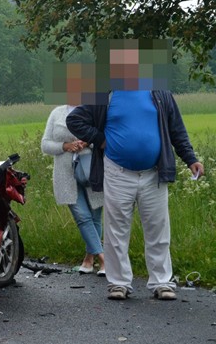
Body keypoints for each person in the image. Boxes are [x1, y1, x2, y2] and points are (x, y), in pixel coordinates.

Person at [66, 40, 204, 301]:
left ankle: (162, 283)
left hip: (154, 172)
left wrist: (191, 159)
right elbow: (74, 119)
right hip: (118, 171)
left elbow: (177, 130)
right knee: (117, 230)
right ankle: (118, 284)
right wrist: (100, 139)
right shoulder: (104, 93)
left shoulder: (160, 93)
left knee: (158, 229)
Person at [41, 105, 104, 275]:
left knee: (95, 218)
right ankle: (104, 258)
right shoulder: (57, 113)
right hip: (65, 174)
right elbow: (45, 145)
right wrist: (66, 146)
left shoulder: (95, 109)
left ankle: (89, 260)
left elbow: (105, 137)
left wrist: (88, 141)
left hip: (93, 170)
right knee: (82, 217)